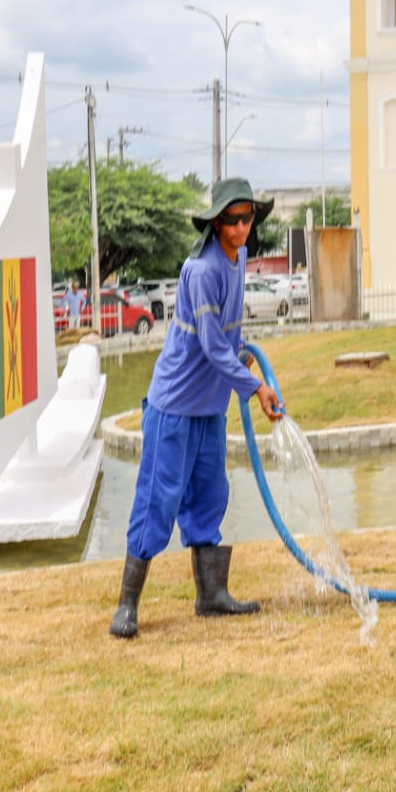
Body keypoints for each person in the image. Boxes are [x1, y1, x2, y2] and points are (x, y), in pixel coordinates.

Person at [110, 177, 283, 640]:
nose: (241, 228)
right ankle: (127, 605)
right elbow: (209, 344)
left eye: (248, 218)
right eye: (233, 220)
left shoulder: (238, 259)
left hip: (209, 406)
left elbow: (225, 336)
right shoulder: (202, 270)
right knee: (158, 498)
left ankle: (211, 595)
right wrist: (255, 387)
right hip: (175, 405)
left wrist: (241, 357)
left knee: (210, 495)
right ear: (216, 223)